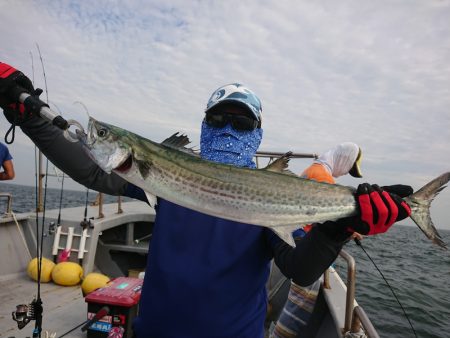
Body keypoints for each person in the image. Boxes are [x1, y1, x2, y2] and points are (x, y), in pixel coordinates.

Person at [0, 62, 412, 338]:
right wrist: (26, 113)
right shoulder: (166, 178)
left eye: (241, 120)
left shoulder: (268, 194)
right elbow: (91, 169)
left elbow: (299, 269)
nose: (228, 128)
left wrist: (338, 228)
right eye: (217, 118)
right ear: (203, 124)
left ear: (257, 131)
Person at [271, 142, 364, 338]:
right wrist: (349, 227)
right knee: (300, 299)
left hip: (300, 237)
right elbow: (330, 214)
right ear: (344, 159)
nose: (346, 171)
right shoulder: (322, 177)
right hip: (304, 241)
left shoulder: (315, 168)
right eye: (349, 167)